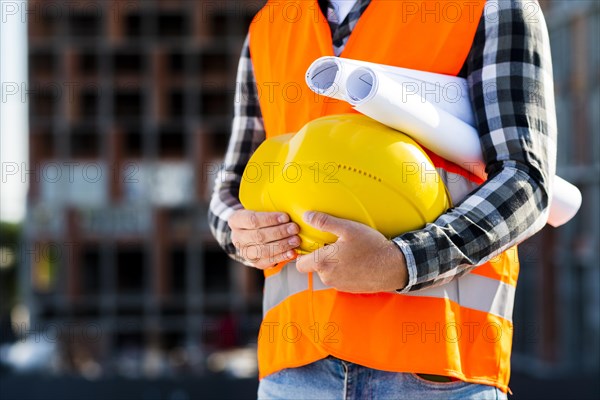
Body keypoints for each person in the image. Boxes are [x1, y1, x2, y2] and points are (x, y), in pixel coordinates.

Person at [208, 0, 557, 398]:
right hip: (296, 369)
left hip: (437, 370)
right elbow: (230, 192)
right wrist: (244, 233)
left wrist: (401, 261)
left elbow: (525, 181)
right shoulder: (271, 24)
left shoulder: (489, 6)